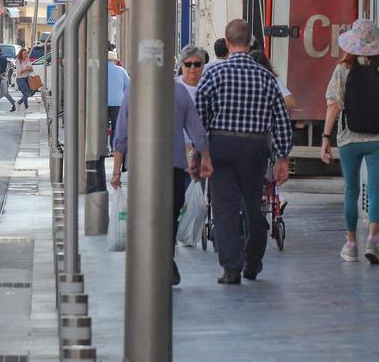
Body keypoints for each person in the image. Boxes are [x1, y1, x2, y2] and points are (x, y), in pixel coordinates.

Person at [196, 19, 292, 285]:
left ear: (227, 43)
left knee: (225, 208)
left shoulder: (214, 74)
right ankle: (253, 262)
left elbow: (200, 116)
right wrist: (282, 156)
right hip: (254, 148)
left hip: (221, 145)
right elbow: (280, 119)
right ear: (250, 43)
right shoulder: (266, 77)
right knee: (253, 205)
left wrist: (199, 152)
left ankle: (231, 267)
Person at [111, 78, 213, 286]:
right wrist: (205, 157)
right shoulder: (179, 91)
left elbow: (121, 133)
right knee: (171, 213)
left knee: (147, 214)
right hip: (171, 164)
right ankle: (165, 260)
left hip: (142, 166)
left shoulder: (134, 91)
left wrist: (116, 171)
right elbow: (196, 128)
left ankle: (155, 261)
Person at [321, 19, 379, 265]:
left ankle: (351, 244)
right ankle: (373, 240)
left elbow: (333, 105)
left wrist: (325, 139)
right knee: (375, 190)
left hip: (349, 140)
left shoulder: (343, 69)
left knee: (351, 191)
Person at [107, 52, 131, 145]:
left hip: (101, 103)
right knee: (115, 125)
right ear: (115, 60)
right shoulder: (121, 71)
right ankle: (113, 147)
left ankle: (102, 148)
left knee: (100, 127)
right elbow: (128, 86)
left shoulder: (100, 70)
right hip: (117, 103)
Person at [0, 47, 18, 112]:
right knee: (4, 93)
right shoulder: (2, 57)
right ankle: (14, 103)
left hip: (1, 77)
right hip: (3, 77)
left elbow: (0, 69)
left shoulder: (0, 58)